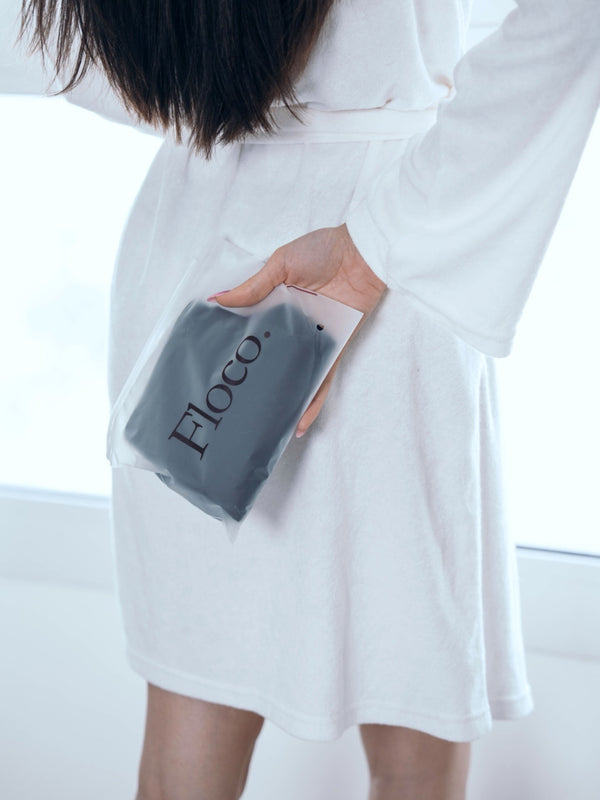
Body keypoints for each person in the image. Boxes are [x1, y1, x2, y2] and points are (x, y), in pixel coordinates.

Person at [11, 0, 600, 798]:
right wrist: (373, 230)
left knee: (189, 726)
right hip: (387, 253)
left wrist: (223, 91)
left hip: (205, 262)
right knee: (414, 727)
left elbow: (64, 54)